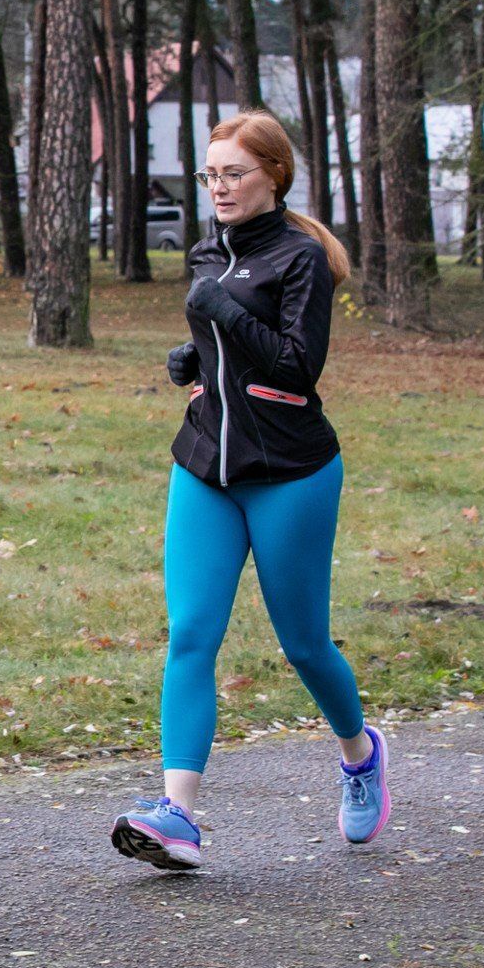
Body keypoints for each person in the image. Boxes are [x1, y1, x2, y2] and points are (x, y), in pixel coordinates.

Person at [112, 109, 388, 872]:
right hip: (205, 464)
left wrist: (223, 315)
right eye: (210, 175)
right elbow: (224, 347)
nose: (220, 187)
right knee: (191, 633)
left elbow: (298, 366)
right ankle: (178, 814)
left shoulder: (301, 259)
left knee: (303, 642)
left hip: (290, 472)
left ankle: (360, 754)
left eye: (234, 173)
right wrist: (193, 355)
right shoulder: (206, 250)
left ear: (274, 174)